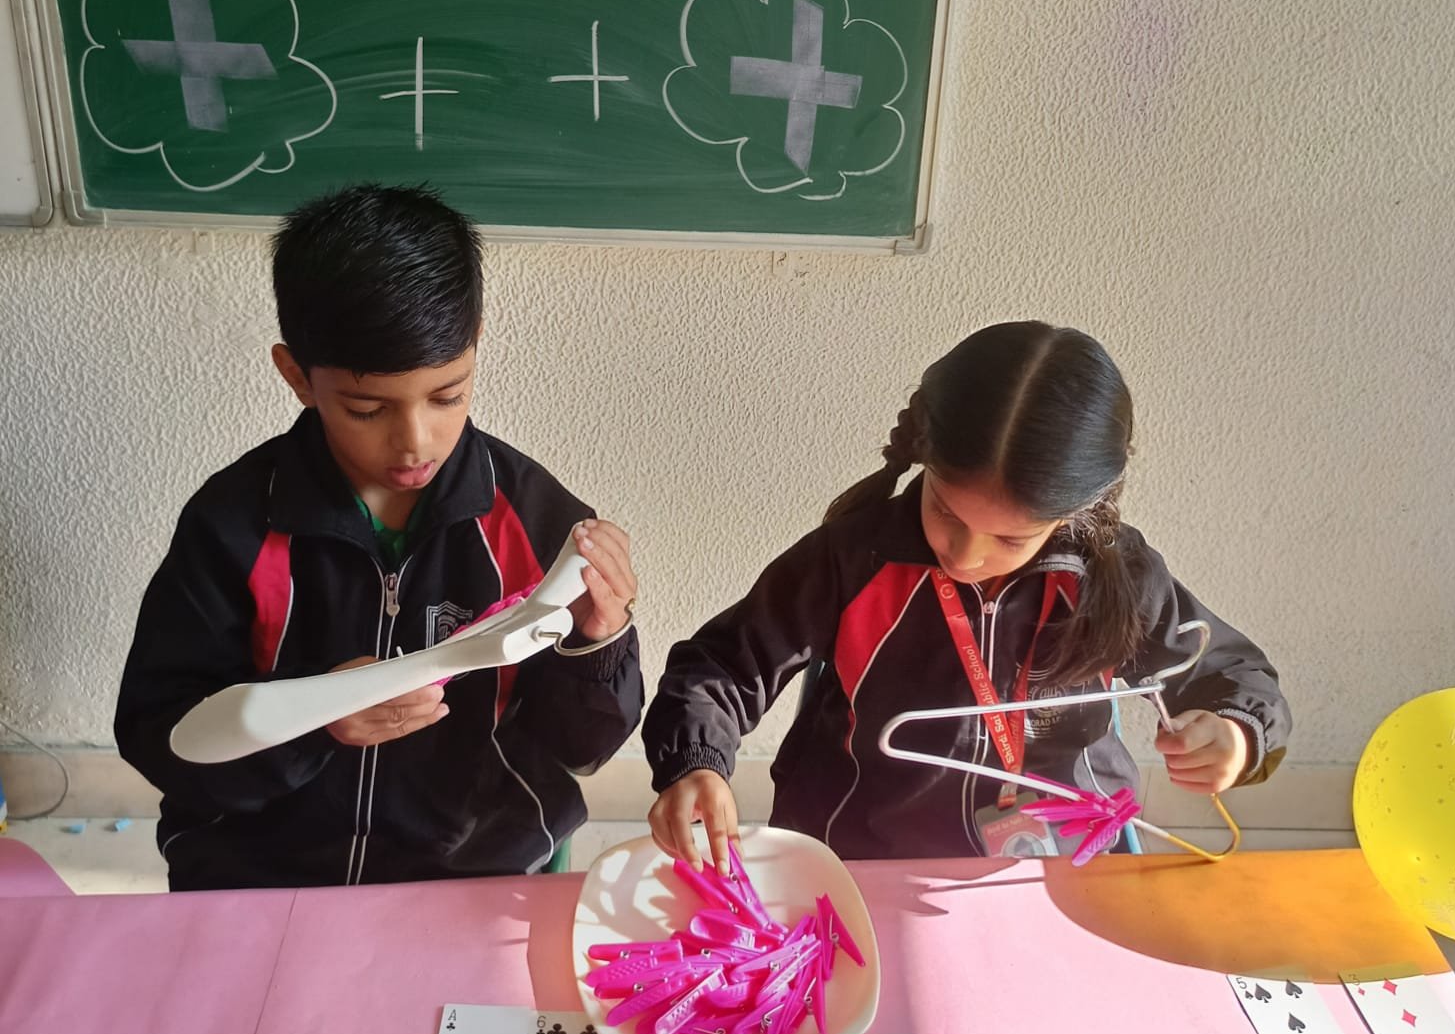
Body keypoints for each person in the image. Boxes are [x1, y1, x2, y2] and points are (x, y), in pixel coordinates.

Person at [116, 184, 641, 888]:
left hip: (472, 871)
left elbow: (581, 750)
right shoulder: (233, 523)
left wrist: (599, 643)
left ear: (476, 344)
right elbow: (161, 734)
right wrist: (312, 720)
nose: (414, 441)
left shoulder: (534, 518)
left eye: (448, 395)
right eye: (367, 409)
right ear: (297, 376)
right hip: (262, 870)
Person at [644, 321, 1288, 868]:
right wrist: (697, 762)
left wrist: (1235, 732)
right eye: (946, 511)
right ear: (925, 460)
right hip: (868, 858)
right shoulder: (853, 559)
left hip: (1067, 863)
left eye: (1010, 538)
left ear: (1076, 510)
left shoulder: (1114, 574)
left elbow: (1235, 674)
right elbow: (720, 668)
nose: (965, 555)